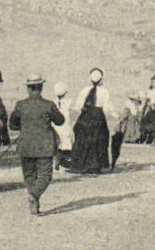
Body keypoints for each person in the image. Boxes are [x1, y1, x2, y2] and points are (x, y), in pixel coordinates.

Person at [10, 75, 65, 215]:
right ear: (41, 88)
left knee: (29, 175)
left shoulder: (20, 105)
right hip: (44, 146)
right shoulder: (49, 105)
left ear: (28, 88)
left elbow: (13, 125)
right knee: (45, 175)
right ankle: (34, 196)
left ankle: (34, 202)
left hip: (26, 145)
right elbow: (60, 121)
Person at [67, 69, 112, 175]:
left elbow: (78, 106)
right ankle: (95, 165)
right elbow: (107, 107)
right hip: (98, 116)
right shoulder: (104, 91)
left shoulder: (84, 90)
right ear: (101, 79)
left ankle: (80, 164)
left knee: (82, 138)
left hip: (86, 116)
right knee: (98, 139)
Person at [52, 84, 73, 170]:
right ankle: (65, 162)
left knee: (57, 145)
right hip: (66, 126)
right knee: (66, 143)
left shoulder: (53, 102)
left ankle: (56, 163)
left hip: (56, 126)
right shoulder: (69, 102)